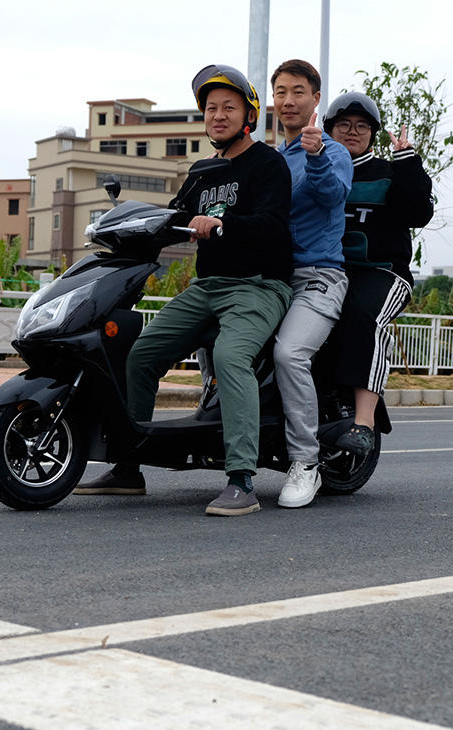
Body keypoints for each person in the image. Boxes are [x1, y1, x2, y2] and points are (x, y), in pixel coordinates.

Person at [74, 64, 294, 516]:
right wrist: (121, 227)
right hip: (208, 287)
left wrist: (222, 222)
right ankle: (127, 467)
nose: (218, 115)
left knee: (231, 357)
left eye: (228, 107)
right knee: (141, 354)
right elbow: (172, 218)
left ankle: (241, 479)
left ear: (249, 115)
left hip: (257, 287)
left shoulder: (268, 164)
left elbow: (273, 224)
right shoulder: (201, 172)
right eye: (211, 108)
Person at [323, 92, 434, 454]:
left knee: (363, 314)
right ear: (329, 129)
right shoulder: (319, 169)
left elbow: (419, 213)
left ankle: (364, 422)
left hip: (383, 273)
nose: (352, 131)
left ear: (372, 133)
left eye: (361, 126)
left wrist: (407, 161)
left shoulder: (389, 172)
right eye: (344, 124)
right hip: (328, 272)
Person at [270, 59, 353, 509]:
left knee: (289, 354)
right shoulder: (271, 159)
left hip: (319, 277)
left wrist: (317, 155)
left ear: (315, 98)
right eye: (281, 92)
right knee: (210, 331)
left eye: (298, 91)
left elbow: (333, 195)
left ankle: (305, 461)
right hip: (272, 280)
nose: (288, 100)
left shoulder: (332, 152)